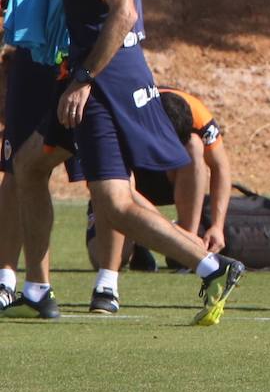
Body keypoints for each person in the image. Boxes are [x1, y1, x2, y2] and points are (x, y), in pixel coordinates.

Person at [6, 0, 245, 326]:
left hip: (103, 77)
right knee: (30, 167)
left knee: (113, 202)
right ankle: (36, 286)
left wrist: (84, 79)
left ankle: (211, 266)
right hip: (106, 68)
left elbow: (123, 12)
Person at [84, 87, 232, 313]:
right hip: (127, 183)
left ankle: (183, 245)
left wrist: (217, 227)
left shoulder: (199, 116)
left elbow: (221, 168)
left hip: (168, 180)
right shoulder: (124, 115)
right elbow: (123, 193)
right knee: (105, 258)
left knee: (195, 146)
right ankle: (165, 241)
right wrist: (168, 232)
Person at [0, 0, 75, 317]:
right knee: (16, 166)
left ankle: (109, 281)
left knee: (111, 178)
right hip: (34, 59)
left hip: (85, 64)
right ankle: (10, 278)